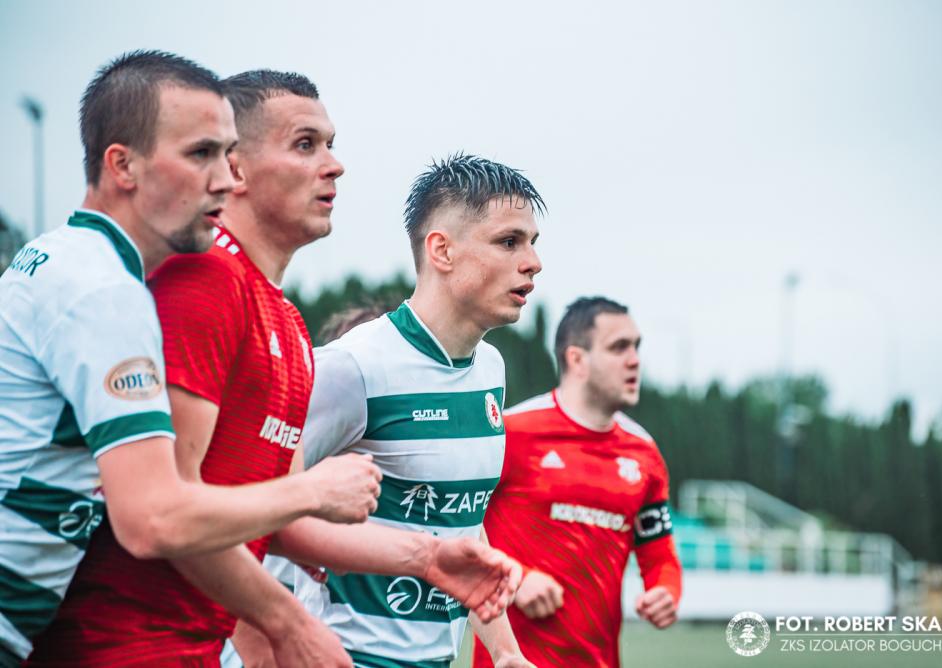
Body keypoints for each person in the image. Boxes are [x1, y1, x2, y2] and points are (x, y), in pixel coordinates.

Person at [29, 73, 519, 668]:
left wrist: (428, 558)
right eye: (305, 144)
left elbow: (279, 522)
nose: (334, 165)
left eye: (331, 144)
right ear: (235, 169)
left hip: (191, 648)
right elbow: (165, 512)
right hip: (116, 646)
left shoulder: (284, 322)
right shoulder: (202, 283)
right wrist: (287, 624)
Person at [0, 51, 368, 667]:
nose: (223, 179)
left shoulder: (65, 258)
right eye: (201, 155)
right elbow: (154, 518)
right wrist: (307, 495)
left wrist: (427, 557)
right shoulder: (106, 290)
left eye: (225, 155)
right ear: (122, 165)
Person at [235, 154, 545, 668]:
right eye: (509, 242)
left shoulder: (491, 369)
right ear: (441, 250)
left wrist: (505, 651)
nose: (533, 261)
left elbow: (459, 520)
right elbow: (247, 508)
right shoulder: (352, 368)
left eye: (533, 243)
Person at [472, 297, 683, 668]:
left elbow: (660, 557)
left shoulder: (644, 454)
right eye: (619, 347)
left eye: (636, 347)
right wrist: (515, 578)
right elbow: (456, 529)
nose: (635, 360)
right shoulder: (511, 433)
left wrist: (666, 591)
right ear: (577, 359)